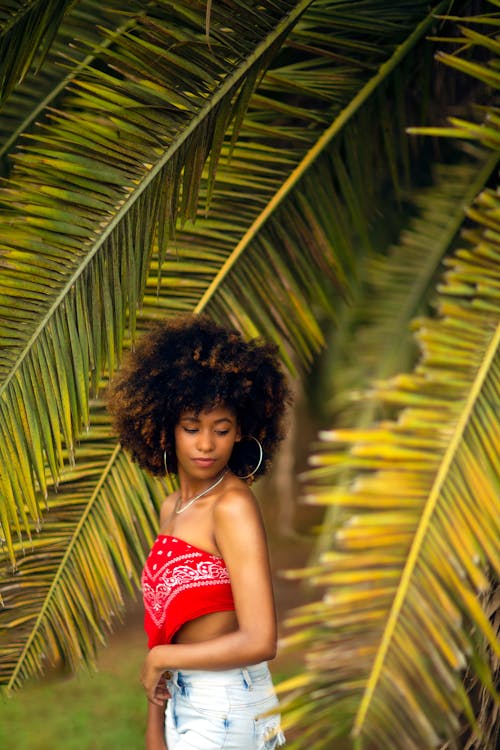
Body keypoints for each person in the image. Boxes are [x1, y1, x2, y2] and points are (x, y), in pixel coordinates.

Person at [107, 314, 291, 750]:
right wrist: (157, 721)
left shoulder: (233, 506)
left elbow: (261, 639)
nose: (206, 444)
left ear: (241, 430)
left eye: (221, 430)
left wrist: (162, 659)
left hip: (229, 703)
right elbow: (164, 629)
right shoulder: (172, 507)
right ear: (166, 428)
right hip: (184, 702)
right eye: (192, 428)